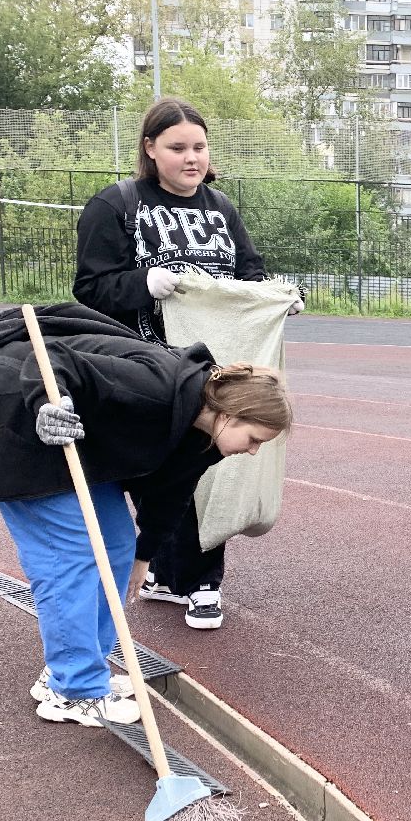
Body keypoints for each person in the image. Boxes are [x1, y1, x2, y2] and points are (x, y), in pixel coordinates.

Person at [0, 303, 293, 727]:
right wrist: (47, 405)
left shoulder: (202, 437)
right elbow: (55, 360)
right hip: (19, 414)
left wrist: (143, 556)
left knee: (115, 545)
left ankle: (71, 670)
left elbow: (171, 495)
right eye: (254, 437)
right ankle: (73, 690)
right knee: (71, 555)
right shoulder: (156, 386)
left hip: (76, 441)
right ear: (229, 414)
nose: (254, 451)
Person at [73, 96, 301, 630]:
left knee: (203, 468)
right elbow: (89, 288)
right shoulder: (116, 205)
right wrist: (141, 285)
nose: (191, 158)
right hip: (143, 371)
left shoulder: (220, 208)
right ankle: (163, 571)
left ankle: (201, 582)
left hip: (212, 374)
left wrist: (276, 297)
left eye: (199, 146)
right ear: (150, 149)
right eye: (177, 148)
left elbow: (248, 274)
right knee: (154, 474)